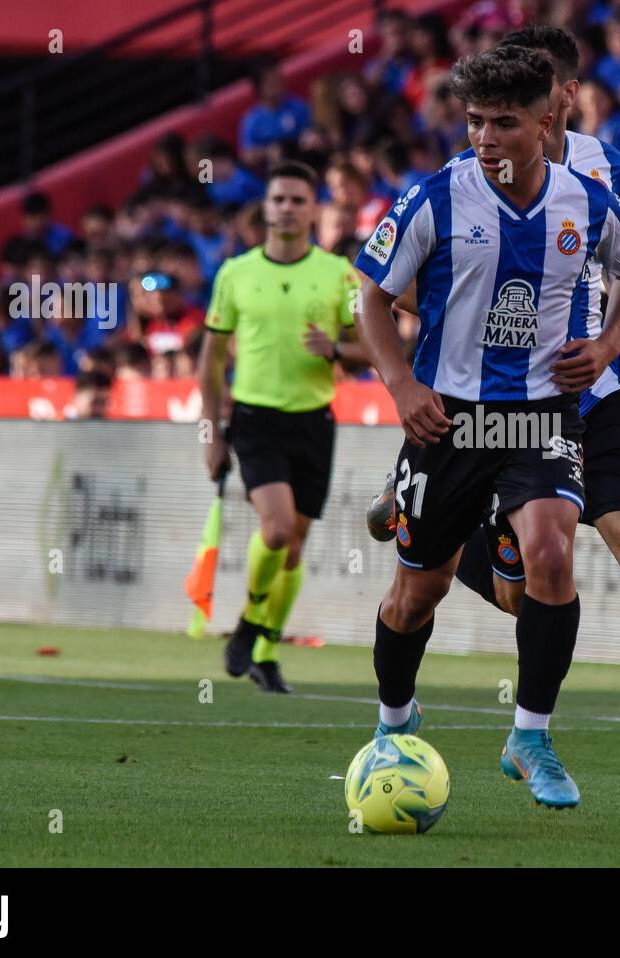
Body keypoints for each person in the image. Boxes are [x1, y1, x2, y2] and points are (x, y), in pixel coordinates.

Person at [368, 26, 620, 809]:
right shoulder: (441, 192)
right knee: (423, 594)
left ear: (554, 110)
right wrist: (406, 380)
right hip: (456, 418)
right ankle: (395, 714)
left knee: (574, 556)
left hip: (556, 407)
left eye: (505, 119)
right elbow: (378, 291)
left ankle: (552, 736)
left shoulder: (596, 180)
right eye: (477, 121)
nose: (487, 136)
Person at [199, 161, 367, 693]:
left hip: (314, 420)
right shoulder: (236, 273)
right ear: (266, 208)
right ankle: (250, 623)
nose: (287, 208)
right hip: (255, 418)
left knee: (292, 547)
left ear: (314, 209)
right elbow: (209, 361)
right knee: (274, 529)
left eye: (298, 199)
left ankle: (264, 651)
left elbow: (374, 347)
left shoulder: (339, 274)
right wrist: (211, 432)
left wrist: (338, 349)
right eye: (279, 200)